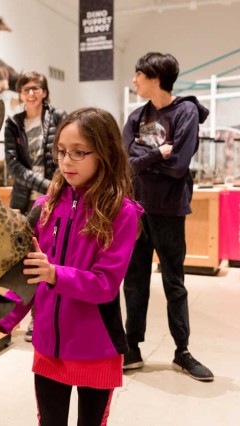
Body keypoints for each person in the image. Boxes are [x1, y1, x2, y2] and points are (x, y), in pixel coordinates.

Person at [0, 107, 142, 426]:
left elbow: (104, 285)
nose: (66, 161)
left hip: (97, 348)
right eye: (61, 152)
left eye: (78, 152)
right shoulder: (43, 207)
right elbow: (30, 278)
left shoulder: (122, 212)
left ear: (104, 153)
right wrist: (2, 320)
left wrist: (54, 273)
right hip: (48, 348)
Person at [121, 52, 214, 382]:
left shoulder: (186, 111)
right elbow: (125, 163)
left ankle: (182, 351)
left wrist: (144, 159)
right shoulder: (136, 116)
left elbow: (178, 166)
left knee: (174, 282)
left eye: (138, 74)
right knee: (134, 282)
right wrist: (156, 153)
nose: (134, 80)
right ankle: (131, 347)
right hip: (136, 210)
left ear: (155, 77)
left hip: (170, 211)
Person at [3, 71, 67, 342]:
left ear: (44, 91)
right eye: (26, 89)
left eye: (36, 88)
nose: (31, 93)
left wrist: (54, 188)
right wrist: (43, 184)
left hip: (55, 198)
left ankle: (41, 317)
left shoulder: (59, 117)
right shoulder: (13, 123)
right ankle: (19, 315)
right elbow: (13, 165)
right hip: (24, 200)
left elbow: (64, 153)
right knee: (24, 258)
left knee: (50, 257)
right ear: (19, 93)